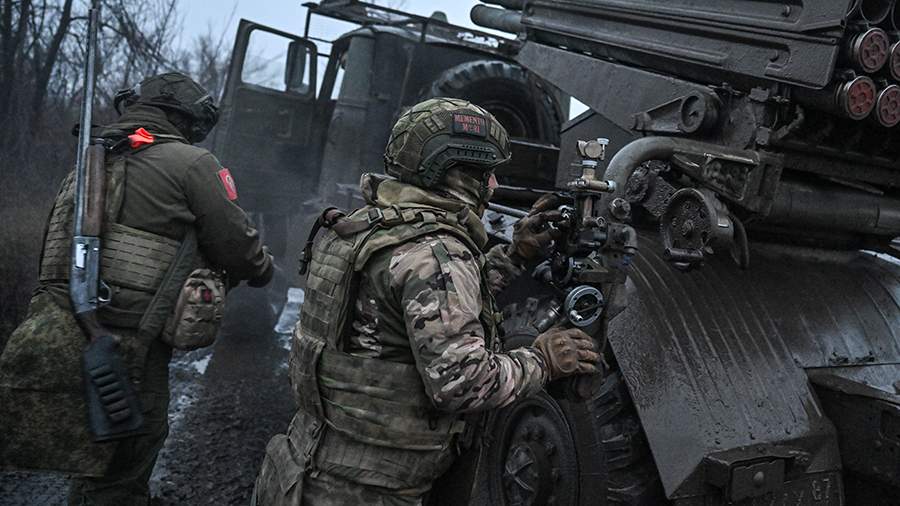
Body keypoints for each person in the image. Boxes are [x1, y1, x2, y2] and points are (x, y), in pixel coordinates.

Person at [252, 97, 599, 505]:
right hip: (368, 490)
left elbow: (416, 311)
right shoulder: (436, 255)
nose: (492, 186)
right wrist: (543, 360)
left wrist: (514, 255)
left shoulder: (362, 227)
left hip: (305, 466)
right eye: (485, 173)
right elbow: (465, 384)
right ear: (453, 171)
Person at [0, 72, 274, 505]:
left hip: (53, 333)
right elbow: (236, 246)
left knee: (92, 461)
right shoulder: (192, 164)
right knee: (119, 474)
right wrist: (262, 269)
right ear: (184, 119)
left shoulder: (91, 159)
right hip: (130, 348)